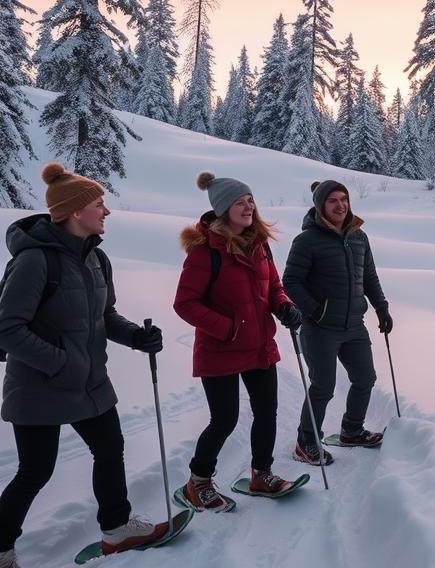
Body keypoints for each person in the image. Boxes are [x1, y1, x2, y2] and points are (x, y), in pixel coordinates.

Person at [0, 163, 166, 568]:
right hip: (40, 386)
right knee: (36, 470)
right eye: (98, 204)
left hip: (89, 382)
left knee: (110, 448)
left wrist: (135, 337)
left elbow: (104, 316)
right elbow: (6, 328)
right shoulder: (35, 261)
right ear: (75, 212)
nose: (105, 211)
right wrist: (59, 363)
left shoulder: (96, 259)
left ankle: (116, 529)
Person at [173, 172, 302, 511]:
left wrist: (284, 306)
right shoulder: (205, 251)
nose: (248, 207)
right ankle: (197, 482)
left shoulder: (260, 244)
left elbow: (274, 287)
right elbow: (185, 303)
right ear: (222, 209)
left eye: (250, 200)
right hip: (220, 349)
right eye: (239, 202)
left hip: (259, 346)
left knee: (266, 412)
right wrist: (228, 328)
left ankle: (262, 474)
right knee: (224, 419)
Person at [283, 179, 392, 466]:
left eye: (343, 199)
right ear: (321, 206)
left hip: (354, 325)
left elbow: (369, 277)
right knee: (322, 386)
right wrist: (314, 311)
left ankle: (351, 430)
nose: (340, 205)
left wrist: (382, 307)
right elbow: (291, 282)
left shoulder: (359, 237)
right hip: (320, 328)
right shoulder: (306, 241)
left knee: (365, 379)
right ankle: (306, 443)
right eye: (333, 200)